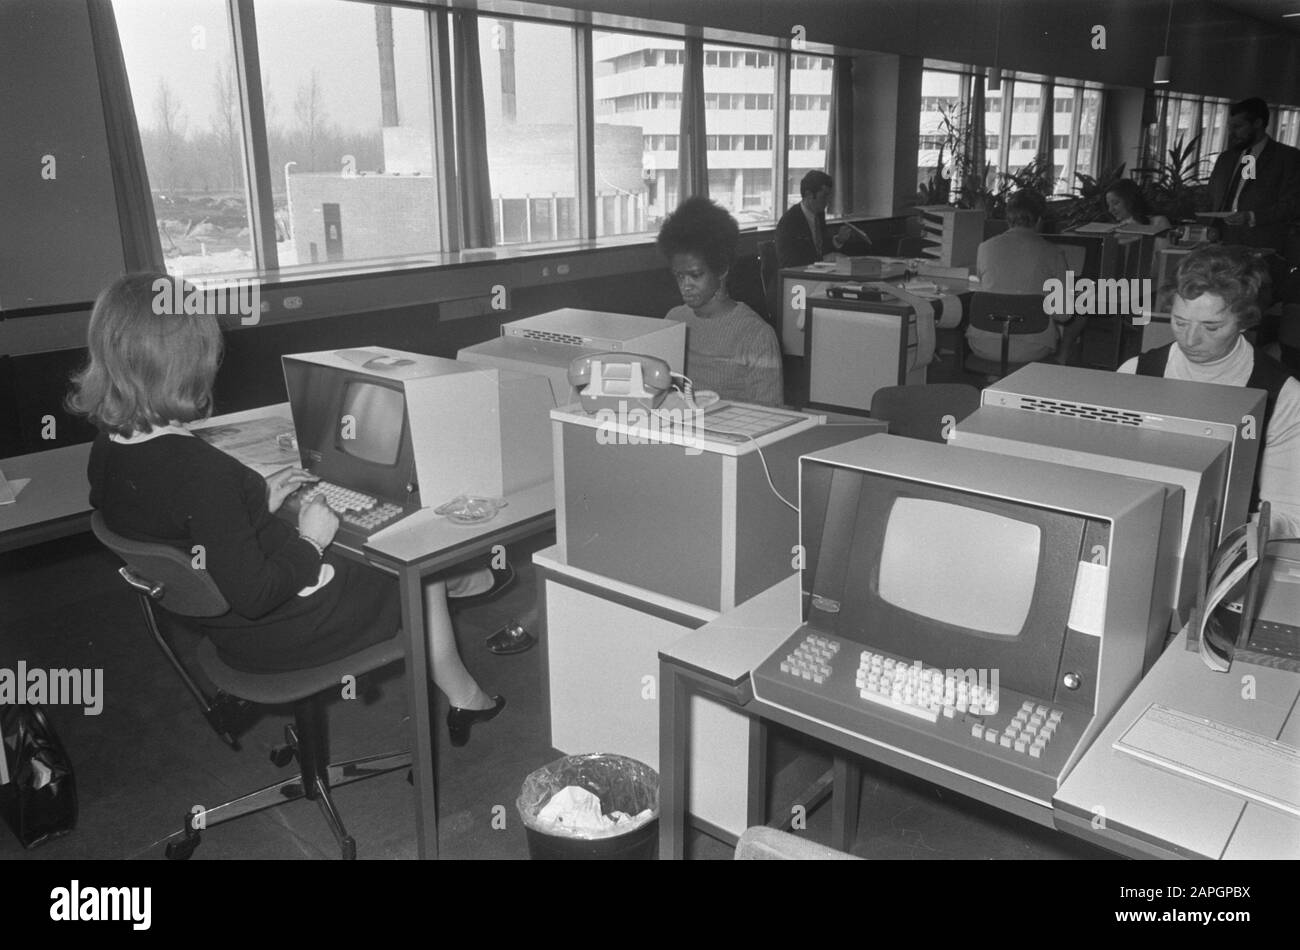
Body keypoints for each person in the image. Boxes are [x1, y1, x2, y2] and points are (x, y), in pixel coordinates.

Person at [68, 273, 506, 747]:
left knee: (400, 559)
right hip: (281, 634)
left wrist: (254, 500)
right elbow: (257, 593)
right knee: (416, 559)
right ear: (190, 362)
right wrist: (311, 538)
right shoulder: (202, 471)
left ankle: (466, 586)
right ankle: (466, 684)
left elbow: (169, 519)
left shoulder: (107, 447)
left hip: (225, 633)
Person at [1118, 246, 1300, 539]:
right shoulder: (1135, 372)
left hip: (1224, 541)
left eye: (1212, 327)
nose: (1190, 339)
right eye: (1179, 322)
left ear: (1244, 321)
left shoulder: (1284, 398)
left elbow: (1288, 515)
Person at [658, 197, 784, 407]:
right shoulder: (673, 320)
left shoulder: (756, 336)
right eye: (679, 276)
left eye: (696, 275)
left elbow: (771, 415)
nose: (685, 285)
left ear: (722, 269)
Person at [967, 190, 1072, 365]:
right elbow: (1064, 314)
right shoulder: (1054, 253)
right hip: (1032, 348)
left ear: (1008, 218)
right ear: (1039, 220)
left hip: (982, 343)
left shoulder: (984, 248)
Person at [1206, 98, 1300, 263]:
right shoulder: (1226, 158)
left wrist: (1251, 216)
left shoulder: (1288, 158)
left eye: (1238, 127)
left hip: (1264, 246)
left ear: (1257, 123)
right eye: (1230, 127)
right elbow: (1212, 196)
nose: (1232, 133)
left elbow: (1292, 204)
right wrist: (1212, 224)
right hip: (1224, 243)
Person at [774, 170, 856, 268]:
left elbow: (821, 247)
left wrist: (838, 240)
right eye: (824, 196)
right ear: (809, 195)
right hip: (798, 279)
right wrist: (823, 260)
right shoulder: (789, 222)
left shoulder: (819, 215)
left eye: (829, 196)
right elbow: (788, 262)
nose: (828, 201)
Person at [1105, 179, 1172, 233]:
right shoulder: (1115, 228)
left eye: (1115, 203)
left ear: (1131, 200)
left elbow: (1162, 249)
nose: (1110, 210)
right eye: (1108, 205)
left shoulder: (1159, 222)